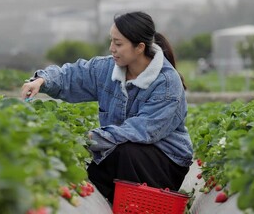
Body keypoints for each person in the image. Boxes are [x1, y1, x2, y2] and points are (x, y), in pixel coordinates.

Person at [21, 11, 193, 204]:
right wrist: (42, 81)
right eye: (111, 41)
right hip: (121, 152)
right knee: (101, 161)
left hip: (166, 162)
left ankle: (133, 205)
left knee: (124, 152)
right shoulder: (106, 68)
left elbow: (143, 130)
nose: (112, 48)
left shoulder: (167, 83)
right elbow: (73, 75)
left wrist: (88, 139)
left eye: (118, 44)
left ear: (139, 47)